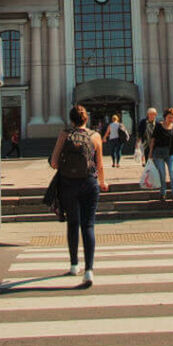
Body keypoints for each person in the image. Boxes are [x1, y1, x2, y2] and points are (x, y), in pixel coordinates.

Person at [49, 104, 108, 287]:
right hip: (89, 183)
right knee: (88, 225)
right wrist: (102, 182)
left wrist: (67, 166)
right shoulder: (95, 136)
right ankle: (89, 270)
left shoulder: (64, 134)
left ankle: (74, 265)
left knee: (73, 223)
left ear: (71, 119)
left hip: (68, 184)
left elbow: (54, 163)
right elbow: (100, 165)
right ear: (86, 119)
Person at [148, 108, 173, 203]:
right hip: (159, 154)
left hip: (171, 153)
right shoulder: (159, 126)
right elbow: (153, 140)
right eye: (169, 117)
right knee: (162, 174)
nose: (171, 119)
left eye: (172, 117)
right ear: (165, 117)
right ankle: (163, 193)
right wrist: (150, 153)